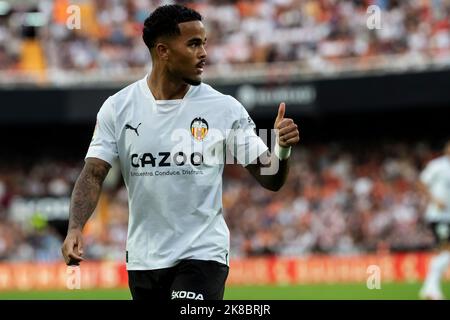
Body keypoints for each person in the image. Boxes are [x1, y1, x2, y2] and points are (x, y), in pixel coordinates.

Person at [61, 4, 299, 301]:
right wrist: (75, 228)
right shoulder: (118, 108)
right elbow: (94, 173)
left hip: (203, 255)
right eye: (193, 44)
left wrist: (283, 148)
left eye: (204, 43)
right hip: (144, 259)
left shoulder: (223, 109)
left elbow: (271, 178)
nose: (203, 53)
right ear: (163, 51)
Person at [419, 139, 450, 300]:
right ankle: (431, 288)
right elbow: (422, 183)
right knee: (446, 249)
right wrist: (435, 200)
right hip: (439, 216)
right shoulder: (437, 166)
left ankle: (429, 288)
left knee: (443, 251)